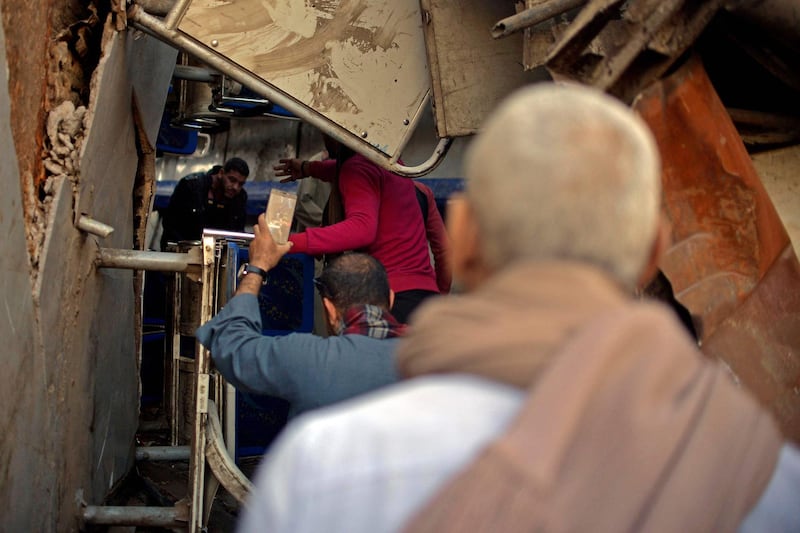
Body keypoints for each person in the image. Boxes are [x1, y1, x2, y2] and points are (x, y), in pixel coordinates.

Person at [237, 84, 800, 533]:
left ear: (469, 234)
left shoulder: (325, 466)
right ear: (652, 252)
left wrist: (283, 246)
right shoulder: (772, 484)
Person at [195, 214, 404, 418]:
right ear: (391, 299)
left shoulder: (308, 358)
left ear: (329, 310)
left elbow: (231, 346)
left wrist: (258, 267)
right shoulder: (431, 357)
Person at [274, 136, 439, 323]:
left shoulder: (357, 168)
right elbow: (350, 170)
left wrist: (289, 243)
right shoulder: (394, 165)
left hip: (391, 297)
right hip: (426, 297)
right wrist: (308, 168)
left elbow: (362, 228)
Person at [160, 157, 250, 250]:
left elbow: (238, 234)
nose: (235, 187)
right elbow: (170, 224)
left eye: (240, 184)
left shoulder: (239, 198)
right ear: (221, 173)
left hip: (217, 254)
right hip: (181, 249)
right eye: (232, 180)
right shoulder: (191, 186)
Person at [414, 180, 451, 294]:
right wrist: (441, 292)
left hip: (379, 292)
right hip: (424, 288)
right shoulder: (420, 191)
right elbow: (444, 250)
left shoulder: (365, 192)